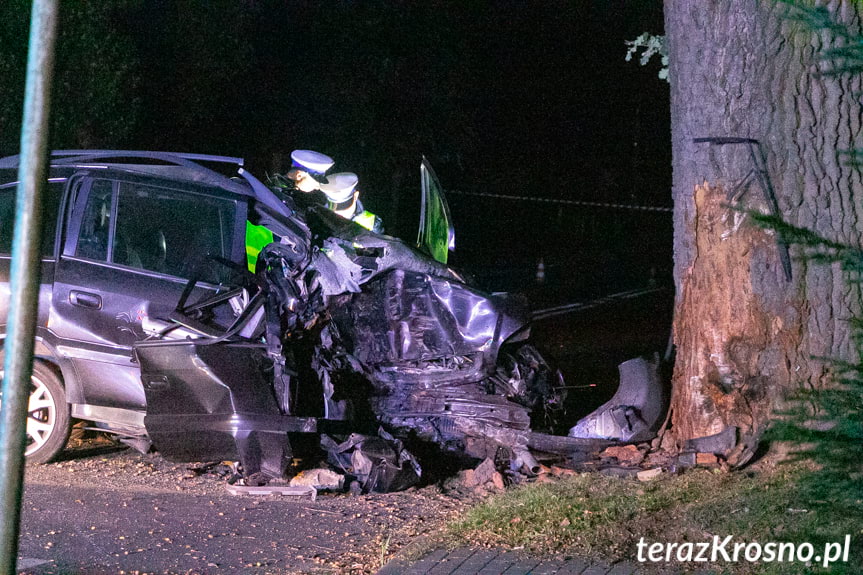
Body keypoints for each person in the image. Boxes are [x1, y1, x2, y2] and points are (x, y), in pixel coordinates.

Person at [318, 172, 383, 233]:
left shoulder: (371, 223)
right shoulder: (320, 219)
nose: (339, 213)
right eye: (333, 206)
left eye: (343, 206)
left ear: (355, 196)